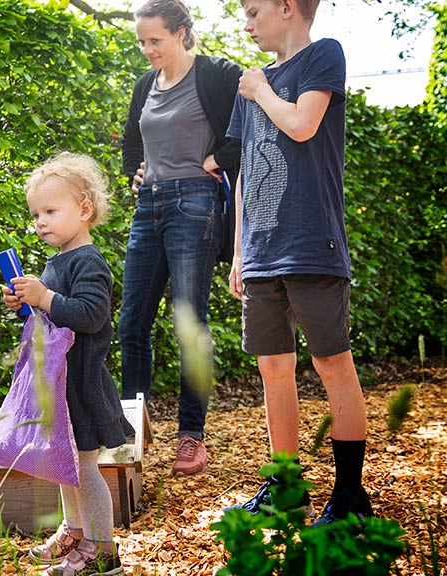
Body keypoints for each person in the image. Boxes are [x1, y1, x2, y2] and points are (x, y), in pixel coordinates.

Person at [224, 0, 372, 525]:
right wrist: (240, 249)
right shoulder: (252, 82)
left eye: (253, 10)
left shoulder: (322, 56)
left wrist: (260, 89)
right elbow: (244, 172)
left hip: (312, 243)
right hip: (262, 251)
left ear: (287, 7)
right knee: (272, 368)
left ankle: (351, 494)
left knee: (332, 364)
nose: (246, 22)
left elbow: (303, 125)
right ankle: (287, 488)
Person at [118, 0, 242, 477]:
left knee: (190, 324)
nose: (148, 50)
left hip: (196, 204)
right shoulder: (144, 85)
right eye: (142, 42)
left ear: (182, 33)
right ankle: (132, 431)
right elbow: (134, 140)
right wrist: (135, 171)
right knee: (132, 325)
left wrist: (218, 159)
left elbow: (250, 129)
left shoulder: (216, 74)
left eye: (156, 40)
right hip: (149, 207)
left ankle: (191, 436)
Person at [3, 152, 132, 576]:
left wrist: (46, 297)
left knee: (85, 466)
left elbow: (91, 315)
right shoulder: (58, 261)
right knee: (65, 462)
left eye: (50, 211)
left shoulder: (88, 261)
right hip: (59, 383)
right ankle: (75, 532)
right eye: (36, 213)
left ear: (84, 209)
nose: (40, 221)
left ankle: (102, 549)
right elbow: (55, 319)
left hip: (82, 384)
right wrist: (28, 303)